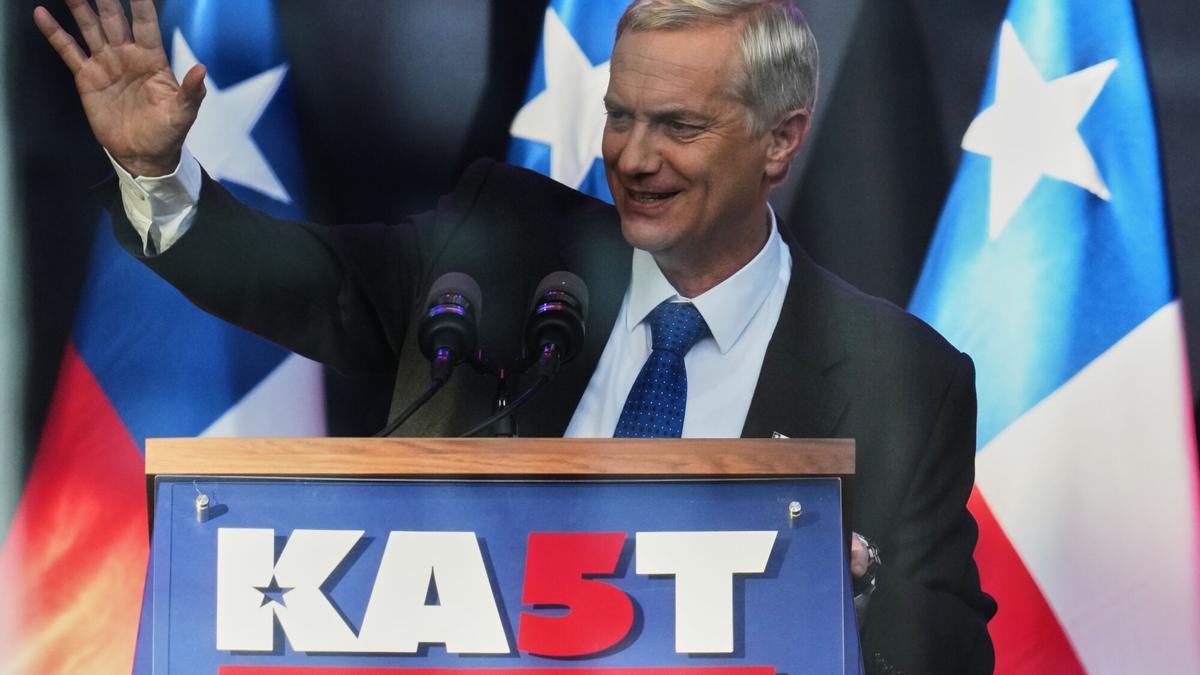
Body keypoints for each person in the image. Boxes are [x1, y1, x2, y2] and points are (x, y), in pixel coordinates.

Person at [34, 0, 997, 671]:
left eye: (678, 126)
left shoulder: (900, 376)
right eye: (619, 116)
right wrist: (157, 173)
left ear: (780, 140)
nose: (632, 156)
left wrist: (850, 579)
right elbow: (303, 285)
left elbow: (955, 647)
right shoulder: (506, 247)